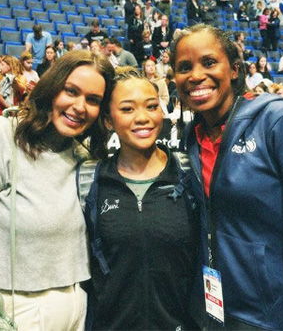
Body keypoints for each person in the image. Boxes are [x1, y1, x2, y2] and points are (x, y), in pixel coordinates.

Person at [171, 23, 283, 331]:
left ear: (234, 69)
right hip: (214, 315)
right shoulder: (192, 137)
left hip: (274, 320)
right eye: (184, 67)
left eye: (209, 62)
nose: (196, 75)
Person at [0, 50, 115, 331]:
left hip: (79, 309)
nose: (79, 106)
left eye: (93, 100)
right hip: (10, 312)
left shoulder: (84, 158)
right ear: (51, 88)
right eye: (71, 91)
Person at [82, 66, 201, 330]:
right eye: (127, 109)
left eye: (151, 106)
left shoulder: (190, 173)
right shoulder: (89, 180)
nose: (143, 118)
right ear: (108, 120)